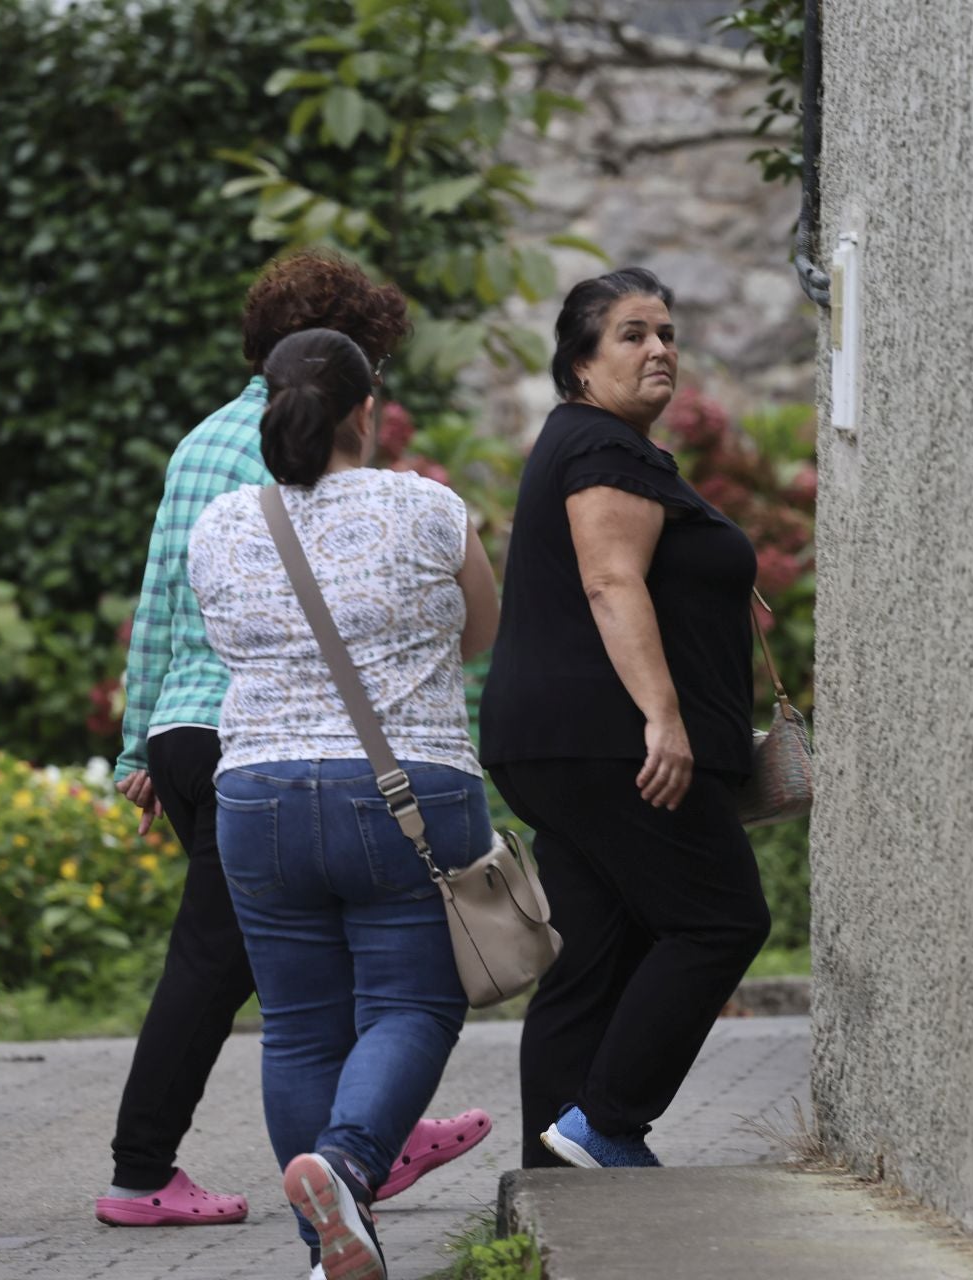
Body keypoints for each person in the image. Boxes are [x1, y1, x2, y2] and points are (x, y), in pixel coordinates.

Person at [100, 254, 491, 1229]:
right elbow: (456, 628)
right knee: (358, 983)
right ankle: (206, 1163)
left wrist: (136, 746)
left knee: (294, 1005)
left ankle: (345, 1183)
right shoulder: (396, 493)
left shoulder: (201, 453)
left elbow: (163, 605)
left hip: (220, 750)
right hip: (332, 754)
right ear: (358, 392)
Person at [190, 328, 501, 1280]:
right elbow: (483, 635)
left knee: (296, 1025)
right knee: (413, 1002)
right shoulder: (428, 509)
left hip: (256, 794)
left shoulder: (221, 525)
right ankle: (348, 1167)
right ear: (368, 410)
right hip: (407, 789)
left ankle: (329, 1257)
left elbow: (226, 647)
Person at [479, 267, 772, 1170]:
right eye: (633, 335)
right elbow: (611, 582)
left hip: (560, 745)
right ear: (579, 364)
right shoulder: (605, 449)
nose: (659, 351)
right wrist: (665, 720)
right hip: (616, 746)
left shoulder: (586, 444)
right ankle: (603, 1123)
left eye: (667, 335)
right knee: (721, 921)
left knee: (594, 956)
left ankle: (551, 1180)